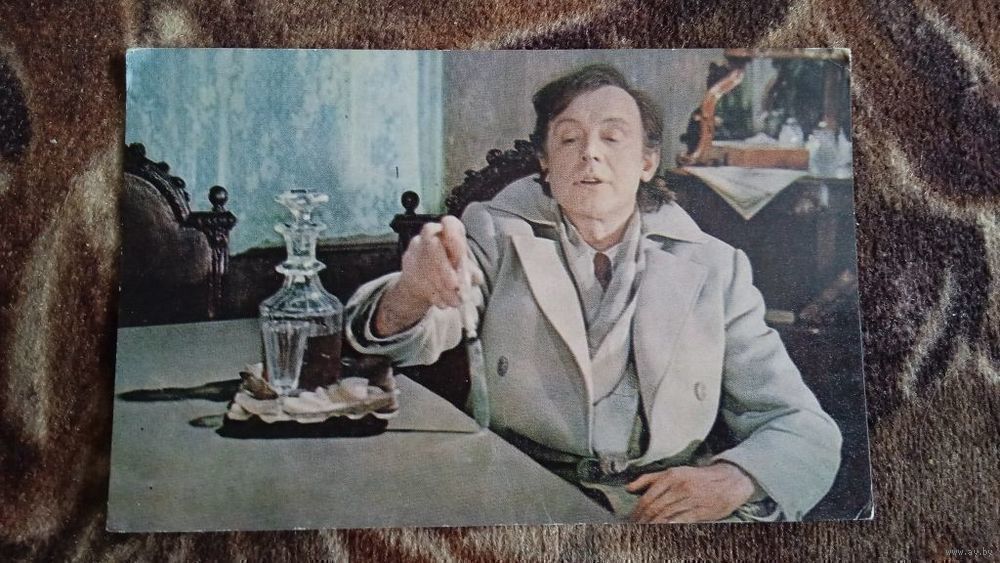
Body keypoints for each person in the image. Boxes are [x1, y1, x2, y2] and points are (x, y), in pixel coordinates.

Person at [345, 64, 841, 523]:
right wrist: (414, 288)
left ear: (647, 162)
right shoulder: (494, 236)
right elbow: (415, 330)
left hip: (665, 507)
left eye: (612, 137)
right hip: (520, 494)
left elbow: (799, 421)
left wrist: (735, 478)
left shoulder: (715, 267)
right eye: (568, 139)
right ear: (545, 163)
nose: (590, 153)